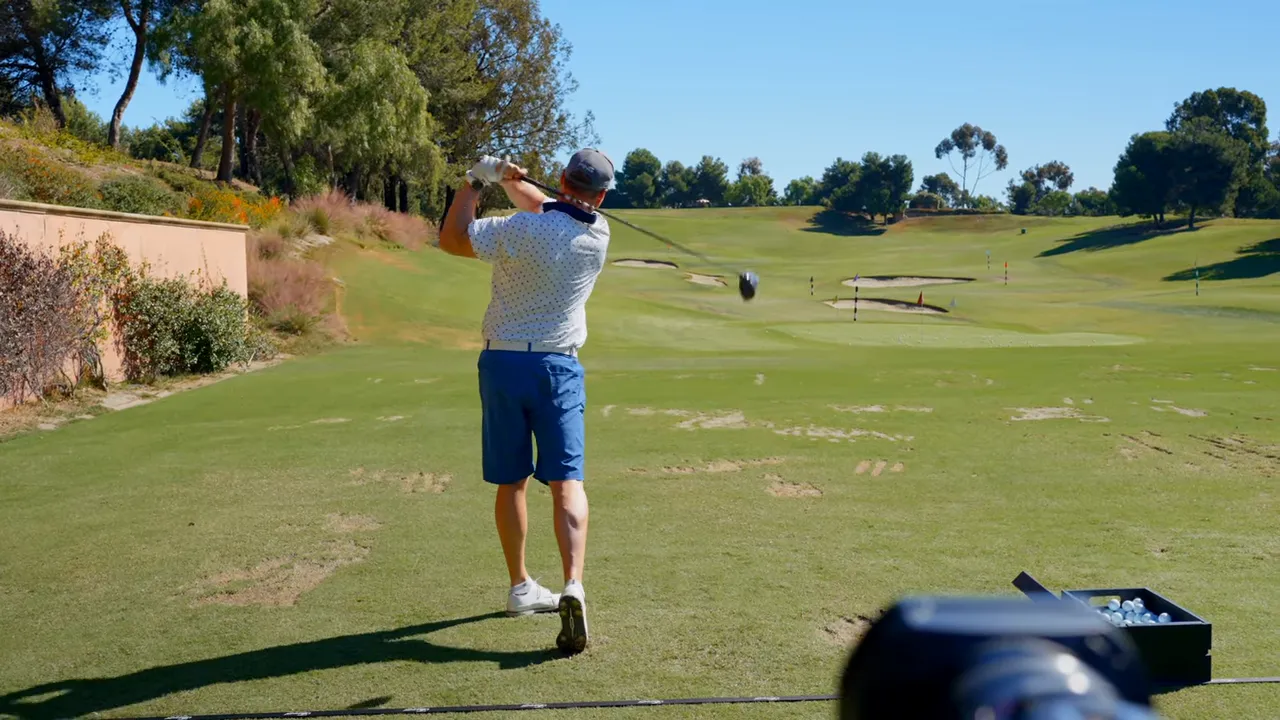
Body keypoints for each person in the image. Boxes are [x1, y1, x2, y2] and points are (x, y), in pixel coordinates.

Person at [436, 149, 614, 655]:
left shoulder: (517, 230)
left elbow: (451, 240)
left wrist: (476, 181)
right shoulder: (597, 234)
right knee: (566, 482)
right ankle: (573, 584)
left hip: (503, 365)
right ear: (600, 197)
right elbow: (552, 207)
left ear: (561, 179)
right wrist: (513, 181)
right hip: (558, 368)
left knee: (512, 480)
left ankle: (520, 588)